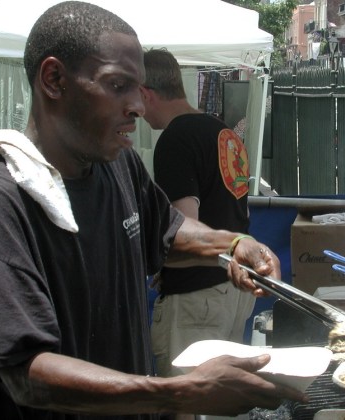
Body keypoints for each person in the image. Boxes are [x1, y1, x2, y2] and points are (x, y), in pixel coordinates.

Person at [0, 2, 307, 420]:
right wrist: (179, 392)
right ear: (54, 79)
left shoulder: (118, 165)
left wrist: (234, 242)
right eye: (118, 85)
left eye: (138, 87)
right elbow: (26, 373)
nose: (136, 104)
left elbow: (167, 232)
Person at [141, 48, 255, 378]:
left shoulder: (175, 139)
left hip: (197, 300)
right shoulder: (224, 132)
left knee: (186, 402)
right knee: (220, 400)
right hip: (232, 291)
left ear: (146, 94)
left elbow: (185, 227)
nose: (134, 111)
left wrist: (161, 261)